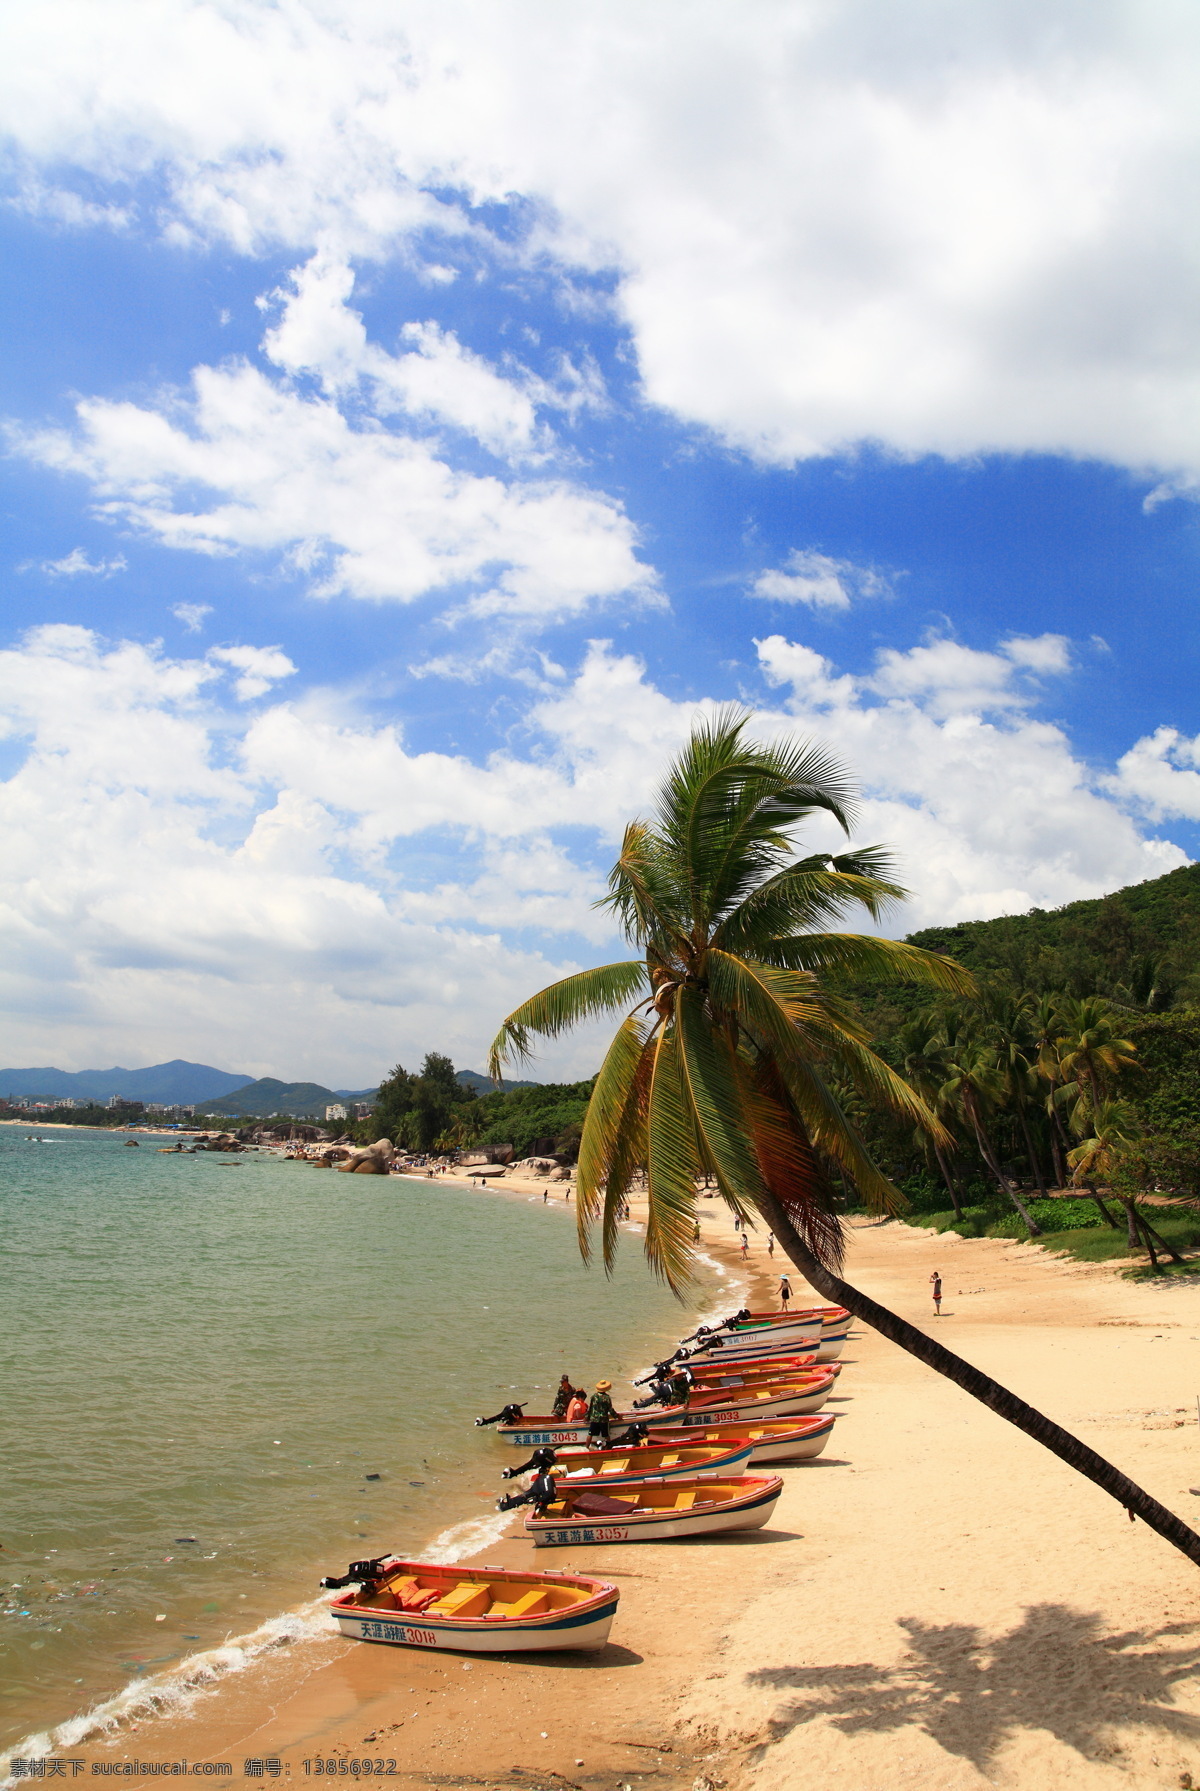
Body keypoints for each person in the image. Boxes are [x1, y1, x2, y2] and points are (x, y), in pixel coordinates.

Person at [587, 1380, 616, 1447]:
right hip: (603, 1419)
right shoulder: (607, 1397)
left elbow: (590, 1408)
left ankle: (586, 1448)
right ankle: (609, 1448)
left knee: (590, 1434)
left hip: (594, 1419)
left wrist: (587, 1417)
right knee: (606, 1435)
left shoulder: (594, 1396)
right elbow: (610, 1409)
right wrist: (616, 1416)